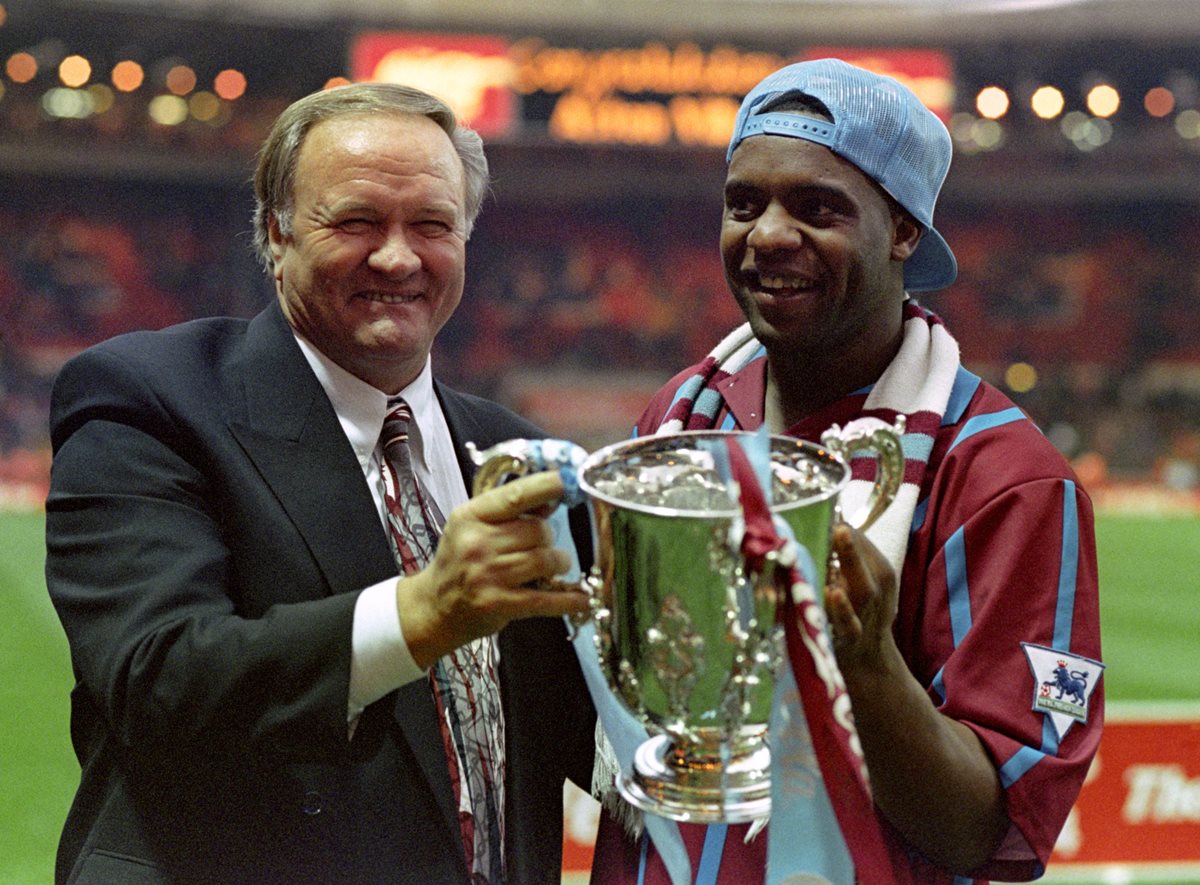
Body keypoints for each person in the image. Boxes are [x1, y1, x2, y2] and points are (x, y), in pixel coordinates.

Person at [44, 82, 595, 884]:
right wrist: (427, 611)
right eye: (358, 221)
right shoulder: (150, 397)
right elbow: (156, 675)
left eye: (433, 224)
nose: (400, 256)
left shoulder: (515, 450)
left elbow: (577, 732)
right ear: (277, 230)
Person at [589, 58, 1103, 884]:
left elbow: (990, 830)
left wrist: (863, 660)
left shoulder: (1004, 475)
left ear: (904, 230)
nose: (767, 235)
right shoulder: (680, 419)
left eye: (818, 207)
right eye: (744, 203)